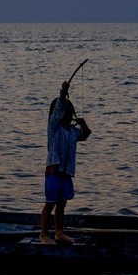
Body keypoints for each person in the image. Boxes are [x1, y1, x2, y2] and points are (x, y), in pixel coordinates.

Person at [40, 81, 91, 244]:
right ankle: (43, 234)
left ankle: (59, 232)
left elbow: (85, 135)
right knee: (50, 203)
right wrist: (63, 93)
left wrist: (83, 124)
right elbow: (57, 111)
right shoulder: (53, 127)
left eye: (70, 113)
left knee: (62, 204)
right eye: (66, 112)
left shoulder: (72, 132)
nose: (69, 115)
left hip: (66, 172)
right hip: (54, 170)